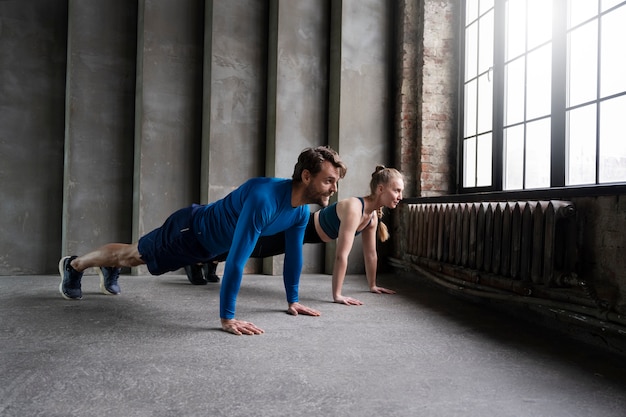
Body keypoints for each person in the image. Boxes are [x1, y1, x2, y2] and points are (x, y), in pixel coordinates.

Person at [58, 146, 347, 335]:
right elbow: (236, 260)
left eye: (336, 182)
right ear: (307, 176)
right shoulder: (265, 199)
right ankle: (75, 265)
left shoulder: (299, 213)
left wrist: (293, 300)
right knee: (134, 256)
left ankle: (106, 267)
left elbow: (294, 256)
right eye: (329, 180)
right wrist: (228, 318)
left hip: (208, 246)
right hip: (189, 233)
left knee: (135, 257)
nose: (334, 189)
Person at [186, 166, 404, 306]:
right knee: (251, 247)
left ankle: (210, 259)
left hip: (306, 234)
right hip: (298, 226)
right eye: (396, 190)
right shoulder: (355, 208)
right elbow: (341, 256)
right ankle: (199, 259)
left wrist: (372, 285)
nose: (400, 196)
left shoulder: (372, 217)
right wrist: (337, 295)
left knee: (252, 248)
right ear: (381, 189)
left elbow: (371, 255)